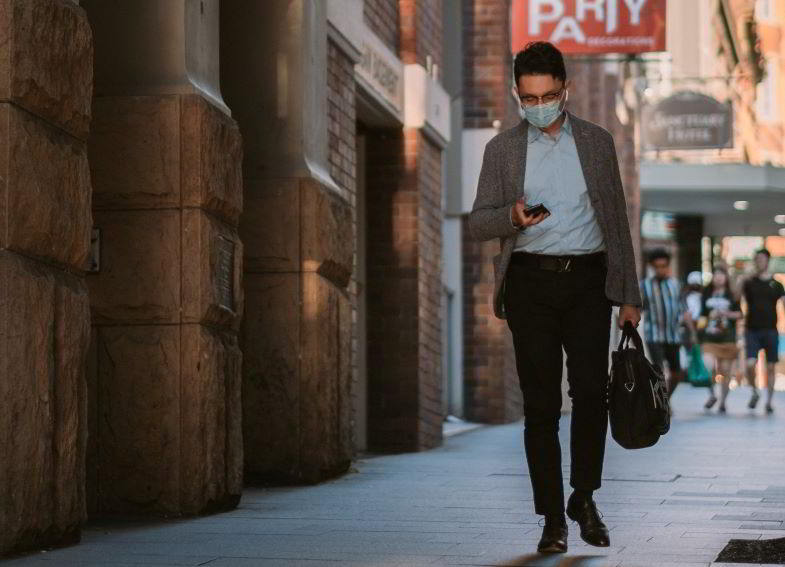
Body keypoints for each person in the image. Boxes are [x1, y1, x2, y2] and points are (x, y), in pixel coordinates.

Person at [468, 41, 641, 555]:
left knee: (592, 393)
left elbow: (616, 222)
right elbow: (479, 221)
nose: (537, 105)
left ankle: (583, 498)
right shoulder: (502, 150)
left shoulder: (597, 142)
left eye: (546, 95)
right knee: (541, 405)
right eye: (528, 97)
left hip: (589, 282)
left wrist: (629, 295)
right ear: (517, 94)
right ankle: (551, 520)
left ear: (564, 91)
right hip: (530, 284)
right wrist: (512, 218)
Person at [741, 248, 784, 413]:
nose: (759, 261)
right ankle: (755, 391)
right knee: (750, 364)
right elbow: (737, 297)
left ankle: (769, 401)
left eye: (762, 259)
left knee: (771, 367)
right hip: (751, 330)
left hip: (771, 330)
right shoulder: (749, 282)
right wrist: (743, 277)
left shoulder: (776, 284)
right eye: (757, 259)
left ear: (767, 260)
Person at [640, 249, 686, 398]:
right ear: (652, 267)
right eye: (657, 266)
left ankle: (665, 400)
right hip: (654, 334)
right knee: (658, 371)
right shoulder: (644, 286)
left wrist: (691, 333)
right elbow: (639, 308)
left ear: (668, 266)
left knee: (677, 373)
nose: (660, 269)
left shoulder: (676, 285)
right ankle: (661, 404)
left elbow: (683, 309)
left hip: (673, 335)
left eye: (663, 266)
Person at [698, 266, 742, 413]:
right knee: (707, 366)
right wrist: (705, 320)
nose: (718, 277)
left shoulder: (732, 295)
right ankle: (712, 394)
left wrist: (726, 313)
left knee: (725, 371)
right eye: (716, 274)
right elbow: (700, 316)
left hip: (728, 338)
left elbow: (739, 314)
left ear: (726, 277)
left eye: (721, 274)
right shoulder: (706, 294)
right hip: (709, 338)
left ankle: (723, 401)